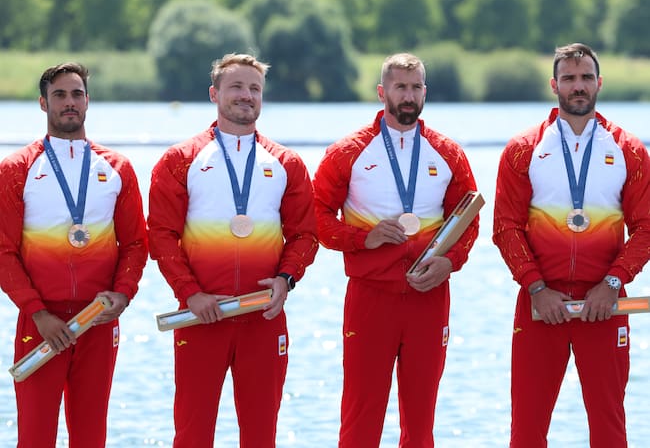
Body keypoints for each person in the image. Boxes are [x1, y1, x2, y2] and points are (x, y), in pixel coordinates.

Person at [147, 53, 319, 448]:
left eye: (254, 88)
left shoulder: (287, 163)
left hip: (263, 316)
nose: (246, 95)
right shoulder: (180, 160)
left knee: (261, 436)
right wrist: (191, 294)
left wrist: (285, 279)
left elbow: (305, 235)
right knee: (192, 435)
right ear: (214, 94)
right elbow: (160, 235)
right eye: (237, 87)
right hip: (202, 317)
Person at [312, 52, 479, 448]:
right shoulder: (347, 152)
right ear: (381, 91)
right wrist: (361, 239)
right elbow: (314, 217)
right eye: (400, 87)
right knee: (360, 418)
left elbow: (469, 219)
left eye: (415, 87)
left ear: (425, 92)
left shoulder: (448, 153)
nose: (408, 95)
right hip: (371, 297)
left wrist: (451, 263)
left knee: (421, 424)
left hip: (429, 295)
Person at [493, 43, 650, 448]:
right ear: (554, 85)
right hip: (542, 306)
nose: (577, 87)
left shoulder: (629, 150)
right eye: (568, 79)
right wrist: (537, 288)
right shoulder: (523, 150)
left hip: (605, 306)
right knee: (526, 431)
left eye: (585, 78)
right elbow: (505, 228)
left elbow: (646, 228)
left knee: (609, 429)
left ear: (599, 83)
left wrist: (613, 283)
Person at [0, 62, 148, 448]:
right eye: (60, 95)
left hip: (97, 320)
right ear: (42, 103)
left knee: (90, 436)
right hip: (41, 323)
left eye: (77, 94)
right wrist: (38, 311)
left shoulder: (117, 168)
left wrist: (123, 294)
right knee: (34, 437)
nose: (69, 102)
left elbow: (135, 244)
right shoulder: (16, 169)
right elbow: (3, 251)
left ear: (88, 101)